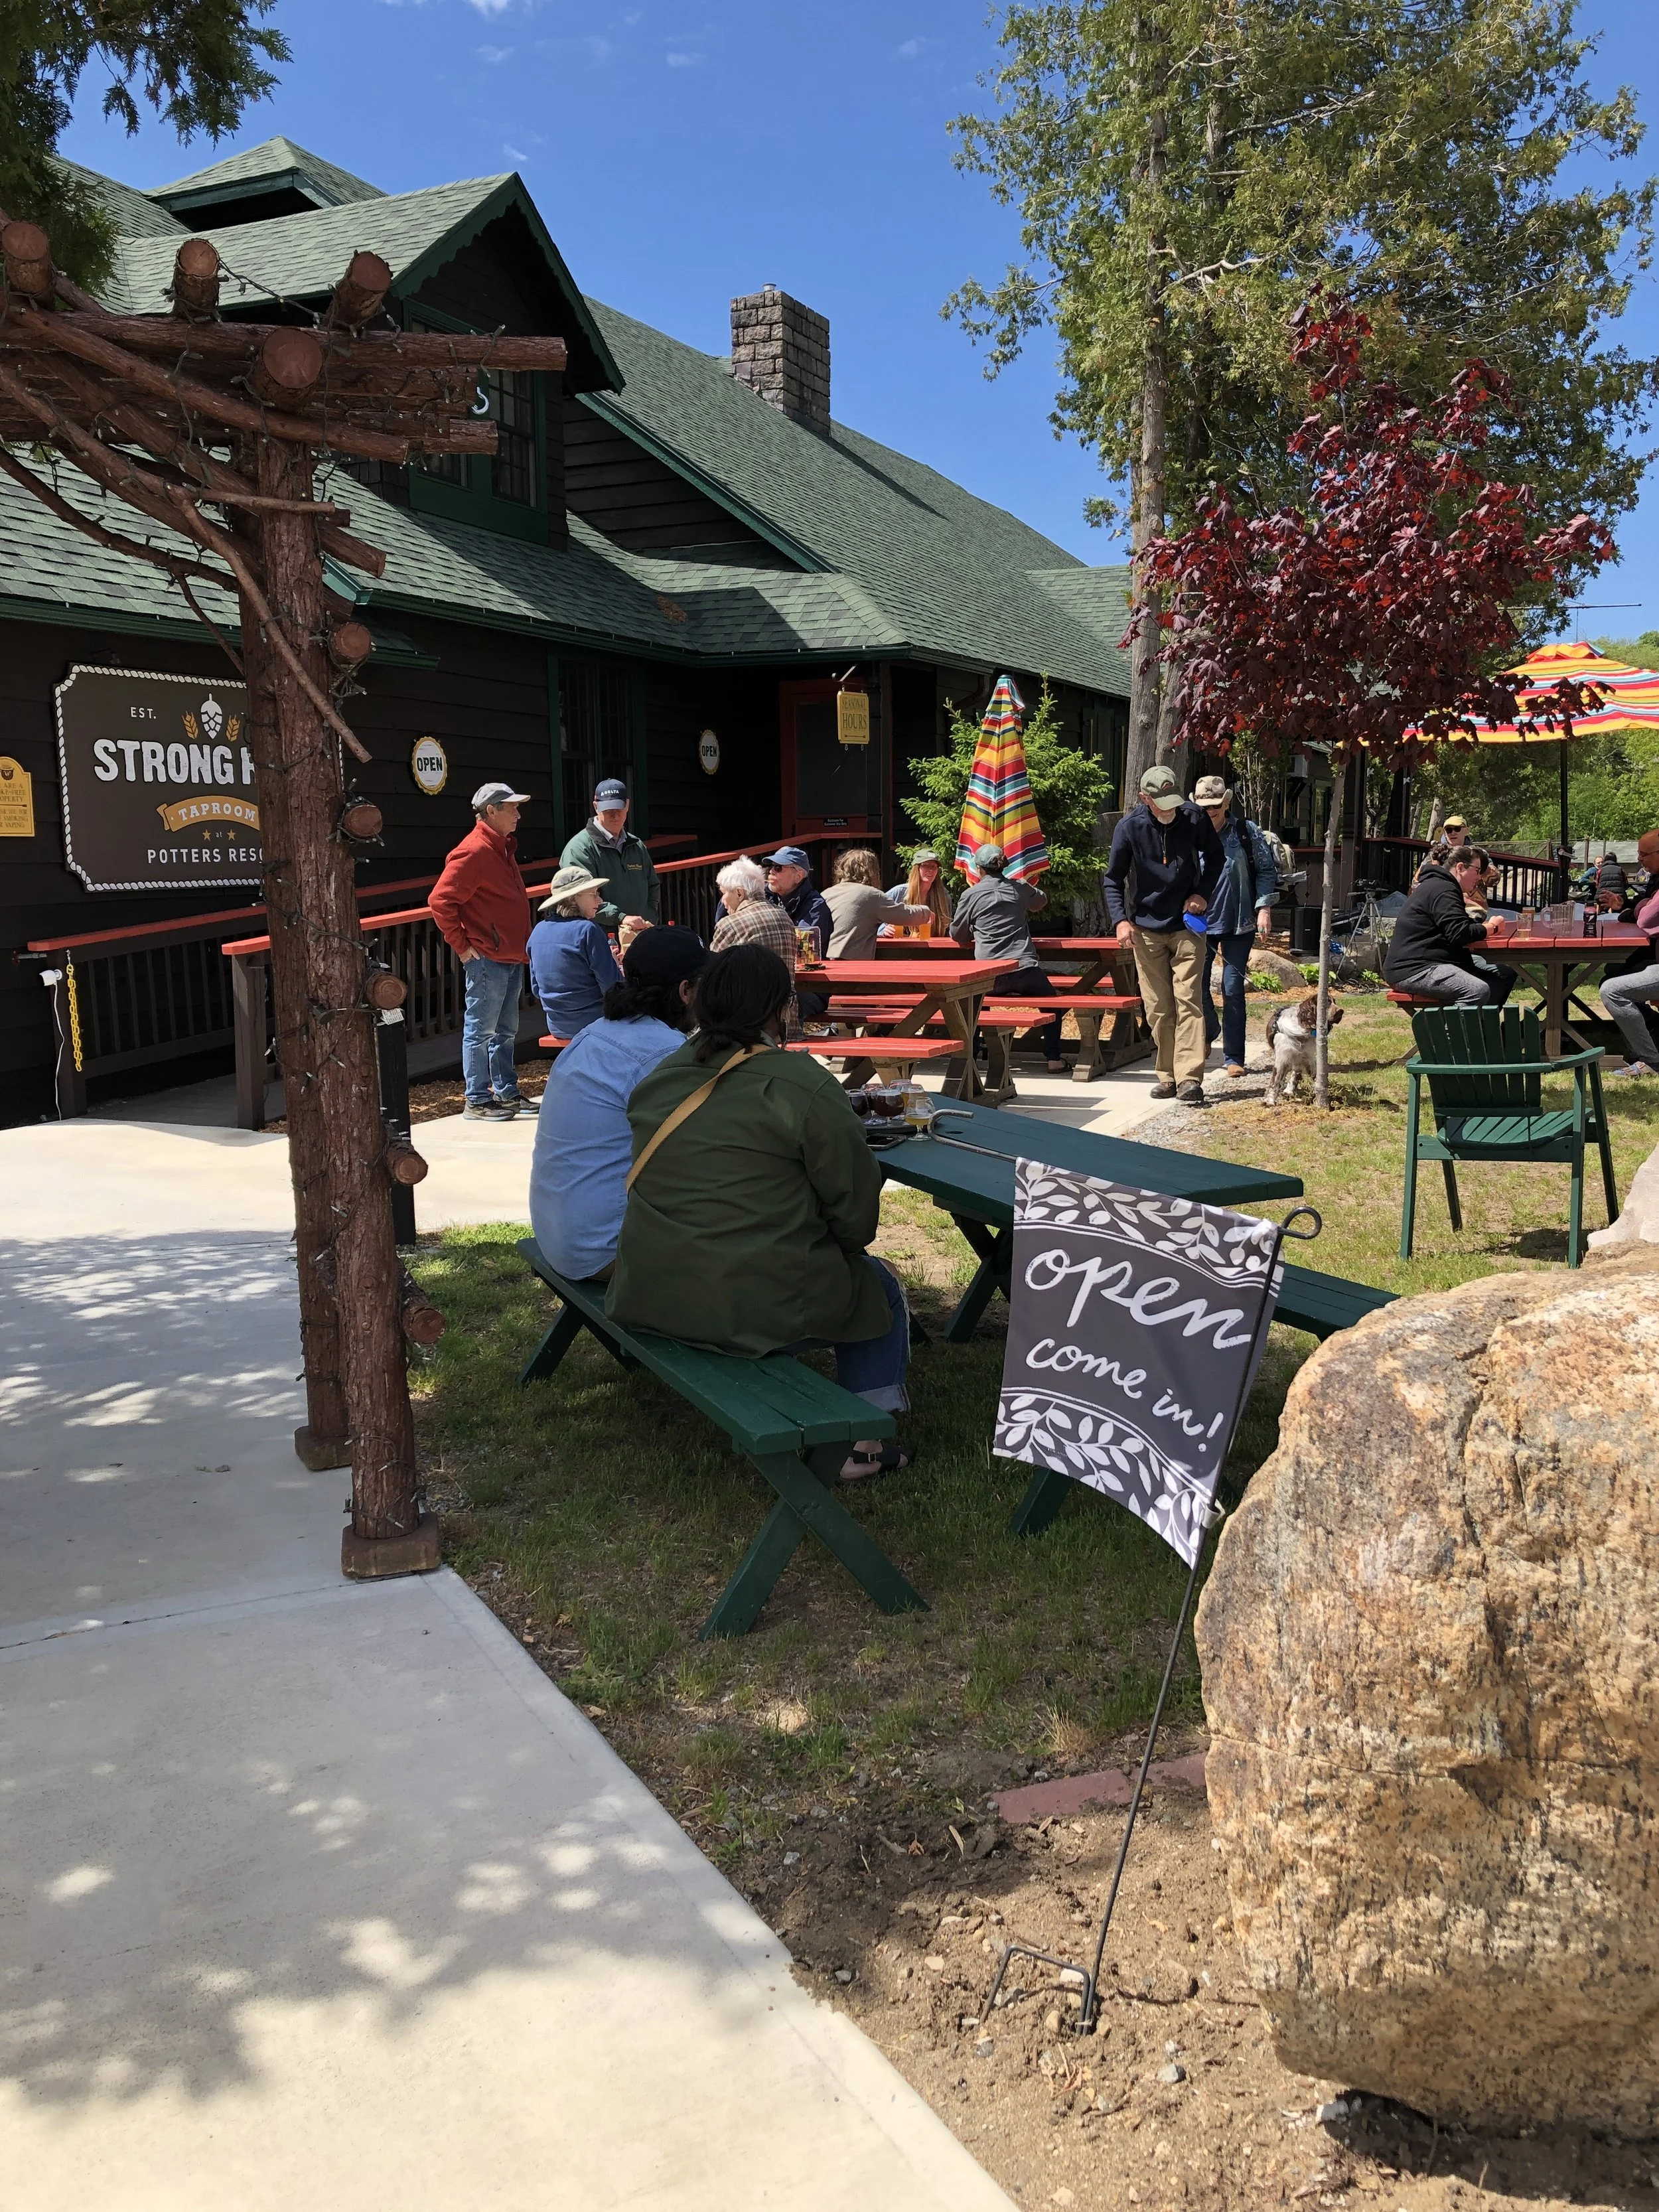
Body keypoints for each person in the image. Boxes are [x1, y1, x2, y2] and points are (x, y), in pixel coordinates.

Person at [607, 944, 912, 1482]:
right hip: (741, 1301)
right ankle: (861, 1447)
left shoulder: (662, 1075)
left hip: (651, 1286)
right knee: (879, 1284)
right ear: (778, 1009)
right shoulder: (801, 1082)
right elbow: (856, 1215)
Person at [528, 928, 709, 1281]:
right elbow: (708, 1155)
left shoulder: (593, 1034)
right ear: (686, 991)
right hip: (605, 1250)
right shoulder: (663, 1053)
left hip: (559, 1237)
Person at [1102, 764, 1226, 1104]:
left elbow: (1216, 857)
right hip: (1146, 928)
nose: (1170, 810)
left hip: (1187, 925)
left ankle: (1189, 1078)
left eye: (1174, 802)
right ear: (1145, 798)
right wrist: (1120, 920)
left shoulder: (1193, 818)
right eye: (1162, 804)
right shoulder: (1130, 828)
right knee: (1158, 1007)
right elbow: (1113, 879)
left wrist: (1202, 894)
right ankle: (1168, 1075)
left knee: (1189, 1001)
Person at [429, 780, 536, 1120]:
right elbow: (440, 901)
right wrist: (462, 947)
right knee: (481, 1031)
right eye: (512, 808)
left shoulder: (501, 847)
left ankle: (506, 1093)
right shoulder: (474, 850)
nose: (518, 814)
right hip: (488, 957)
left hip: (510, 955)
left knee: (506, 1031)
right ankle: (476, 1099)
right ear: (491, 810)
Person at [950, 842, 1065, 1072]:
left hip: (989, 974)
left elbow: (957, 934)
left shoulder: (970, 895)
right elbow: (1040, 902)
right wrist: (1027, 888)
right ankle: (1053, 1058)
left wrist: (974, 929)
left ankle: (970, 1059)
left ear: (979, 869)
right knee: (1053, 1004)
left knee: (974, 1007)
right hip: (1024, 968)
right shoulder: (1019, 888)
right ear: (1004, 866)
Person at [1191, 774, 1277, 1079]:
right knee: (1196, 986)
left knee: (1232, 988)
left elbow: (1266, 870)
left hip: (1239, 923)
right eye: (1204, 806)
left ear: (1226, 803)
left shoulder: (1245, 831)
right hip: (1199, 924)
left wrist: (1264, 908)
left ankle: (1233, 1057)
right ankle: (1209, 1030)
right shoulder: (1189, 833)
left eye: (1215, 805)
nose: (1210, 810)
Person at [1383, 846, 1516, 1007]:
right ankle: (1447, 1025)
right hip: (1414, 969)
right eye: (1477, 870)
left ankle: (1481, 1023)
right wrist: (1492, 928)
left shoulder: (1442, 886)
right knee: (1476, 990)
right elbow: (1459, 933)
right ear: (1460, 868)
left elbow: (1457, 926)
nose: (1479, 877)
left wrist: (1481, 927)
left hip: (1433, 962)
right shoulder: (1443, 890)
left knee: (1503, 976)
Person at [709, 856, 802, 1038]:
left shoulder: (730, 924)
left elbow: (710, 975)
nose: (723, 902)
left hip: (747, 1029)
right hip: (786, 1023)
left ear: (739, 893)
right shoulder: (784, 917)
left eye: (724, 893)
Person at [527, 863, 621, 1040]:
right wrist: (616, 966)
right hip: (595, 1022)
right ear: (572, 899)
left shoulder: (537, 931)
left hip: (557, 1025)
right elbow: (613, 988)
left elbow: (536, 990)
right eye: (593, 894)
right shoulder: (587, 930)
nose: (600, 900)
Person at [560, 778, 660, 931]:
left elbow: (653, 885)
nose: (615, 815)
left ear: (627, 805)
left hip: (640, 934)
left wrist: (649, 916)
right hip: (599, 937)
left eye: (619, 808)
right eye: (608, 810)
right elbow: (581, 897)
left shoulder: (637, 845)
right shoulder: (578, 849)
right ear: (596, 807)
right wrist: (621, 918)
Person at [1599, 827, 1659, 1075]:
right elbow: (1645, 908)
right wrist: (1635, 905)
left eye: (1644, 854)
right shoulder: (1655, 878)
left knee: (1612, 990)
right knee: (1613, 973)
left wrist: (1643, 906)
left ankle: (1651, 1061)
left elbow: (1647, 918)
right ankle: (1651, 1031)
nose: (1639, 859)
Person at [824, 848, 932, 959]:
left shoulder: (826, 894)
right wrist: (926, 912)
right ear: (872, 872)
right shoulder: (871, 895)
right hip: (852, 963)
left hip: (824, 960)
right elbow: (905, 915)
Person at [762, 845, 833, 958]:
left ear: (798, 876)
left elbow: (805, 953)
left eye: (778, 868)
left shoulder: (815, 907)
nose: (771, 871)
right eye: (771, 867)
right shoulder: (765, 897)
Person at [885, 848, 954, 937]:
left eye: (933, 867)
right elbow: (875, 916)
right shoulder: (899, 892)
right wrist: (884, 930)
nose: (930, 870)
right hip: (901, 944)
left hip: (933, 944)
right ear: (916, 868)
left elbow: (948, 929)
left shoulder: (944, 896)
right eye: (925, 866)